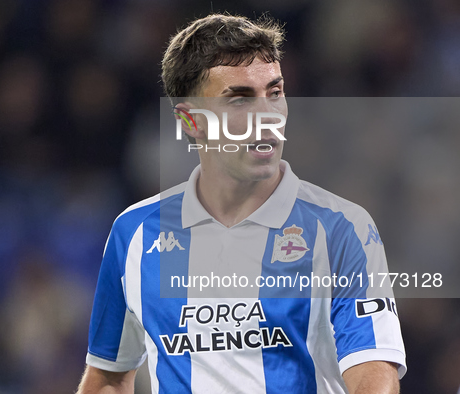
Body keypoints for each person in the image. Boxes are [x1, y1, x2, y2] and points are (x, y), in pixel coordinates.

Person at [77, 13, 406, 393]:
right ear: (190, 122)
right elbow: (110, 376)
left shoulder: (342, 227)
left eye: (275, 92)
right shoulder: (133, 233)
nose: (267, 116)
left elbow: (372, 370)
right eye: (240, 99)